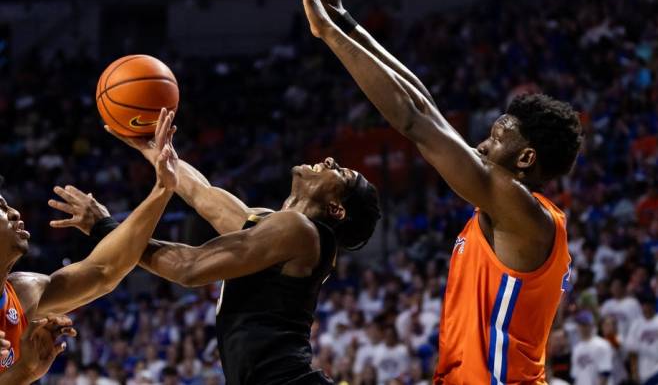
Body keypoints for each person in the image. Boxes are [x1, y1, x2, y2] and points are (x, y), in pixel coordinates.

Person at [296, 0, 581, 382]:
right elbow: (423, 101)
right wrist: (345, 20)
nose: (482, 146)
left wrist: (329, 35)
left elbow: (413, 120)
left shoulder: (520, 211)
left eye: (496, 138)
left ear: (525, 158)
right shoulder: (511, 212)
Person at [52, 132, 381, 384]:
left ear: (337, 209)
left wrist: (105, 228)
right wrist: (152, 147)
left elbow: (189, 268)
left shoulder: (301, 232)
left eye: (339, 172)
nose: (327, 160)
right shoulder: (276, 227)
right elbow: (201, 195)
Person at [0, 108, 178, 376]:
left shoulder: (23, 292)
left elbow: (104, 271)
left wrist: (163, 189)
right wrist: (24, 374)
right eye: (0, 206)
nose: (14, 211)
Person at [571, 311, 614, 385]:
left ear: (591, 325)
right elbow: (575, 375)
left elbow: (605, 373)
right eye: (580, 324)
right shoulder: (576, 348)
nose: (582, 327)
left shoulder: (602, 344)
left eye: (584, 324)